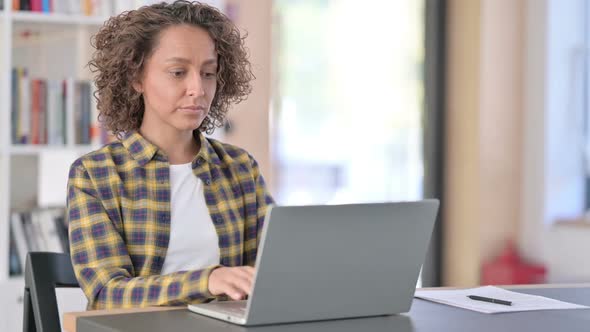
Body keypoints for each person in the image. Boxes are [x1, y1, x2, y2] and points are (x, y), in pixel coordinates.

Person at [66, 0, 274, 310]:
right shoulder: (96, 174)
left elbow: (275, 270)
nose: (197, 89)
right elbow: (107, 293)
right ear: (136, 78)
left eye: (208, 73)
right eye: (178, 72)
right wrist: (206, 281)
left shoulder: (240, 168)